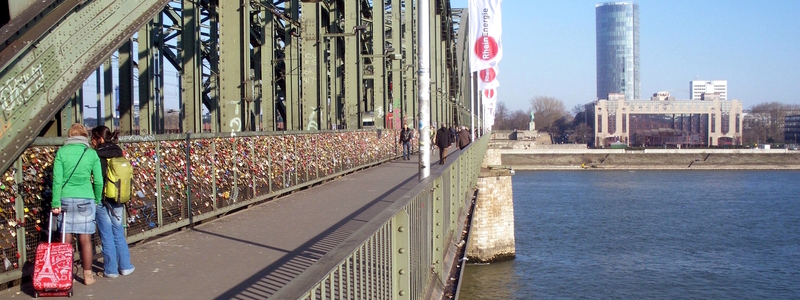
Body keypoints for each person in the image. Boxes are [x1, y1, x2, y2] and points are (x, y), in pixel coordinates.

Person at [51, 123, 103, 285]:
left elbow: (57, 180)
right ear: (84, 137)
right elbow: (99, 181)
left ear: (70, 136)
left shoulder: (62, 152)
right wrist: (97, 199)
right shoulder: (91, 154)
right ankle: (87, 276)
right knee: (85, 239)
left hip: (65, 198)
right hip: (86, 197)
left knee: (65, 238)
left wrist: (55, 202)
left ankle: (66, 276)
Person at [91, 126, 135, 279]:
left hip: (103, 199)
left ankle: (110, 270)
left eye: (93, 138)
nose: (92, 142)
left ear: (100, 139)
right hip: (118, 198)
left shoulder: (98, 155)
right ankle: (126, 266)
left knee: (106, 234)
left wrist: (96, 199)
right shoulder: (118, 151)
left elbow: (98, 180)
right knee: (118, 232)